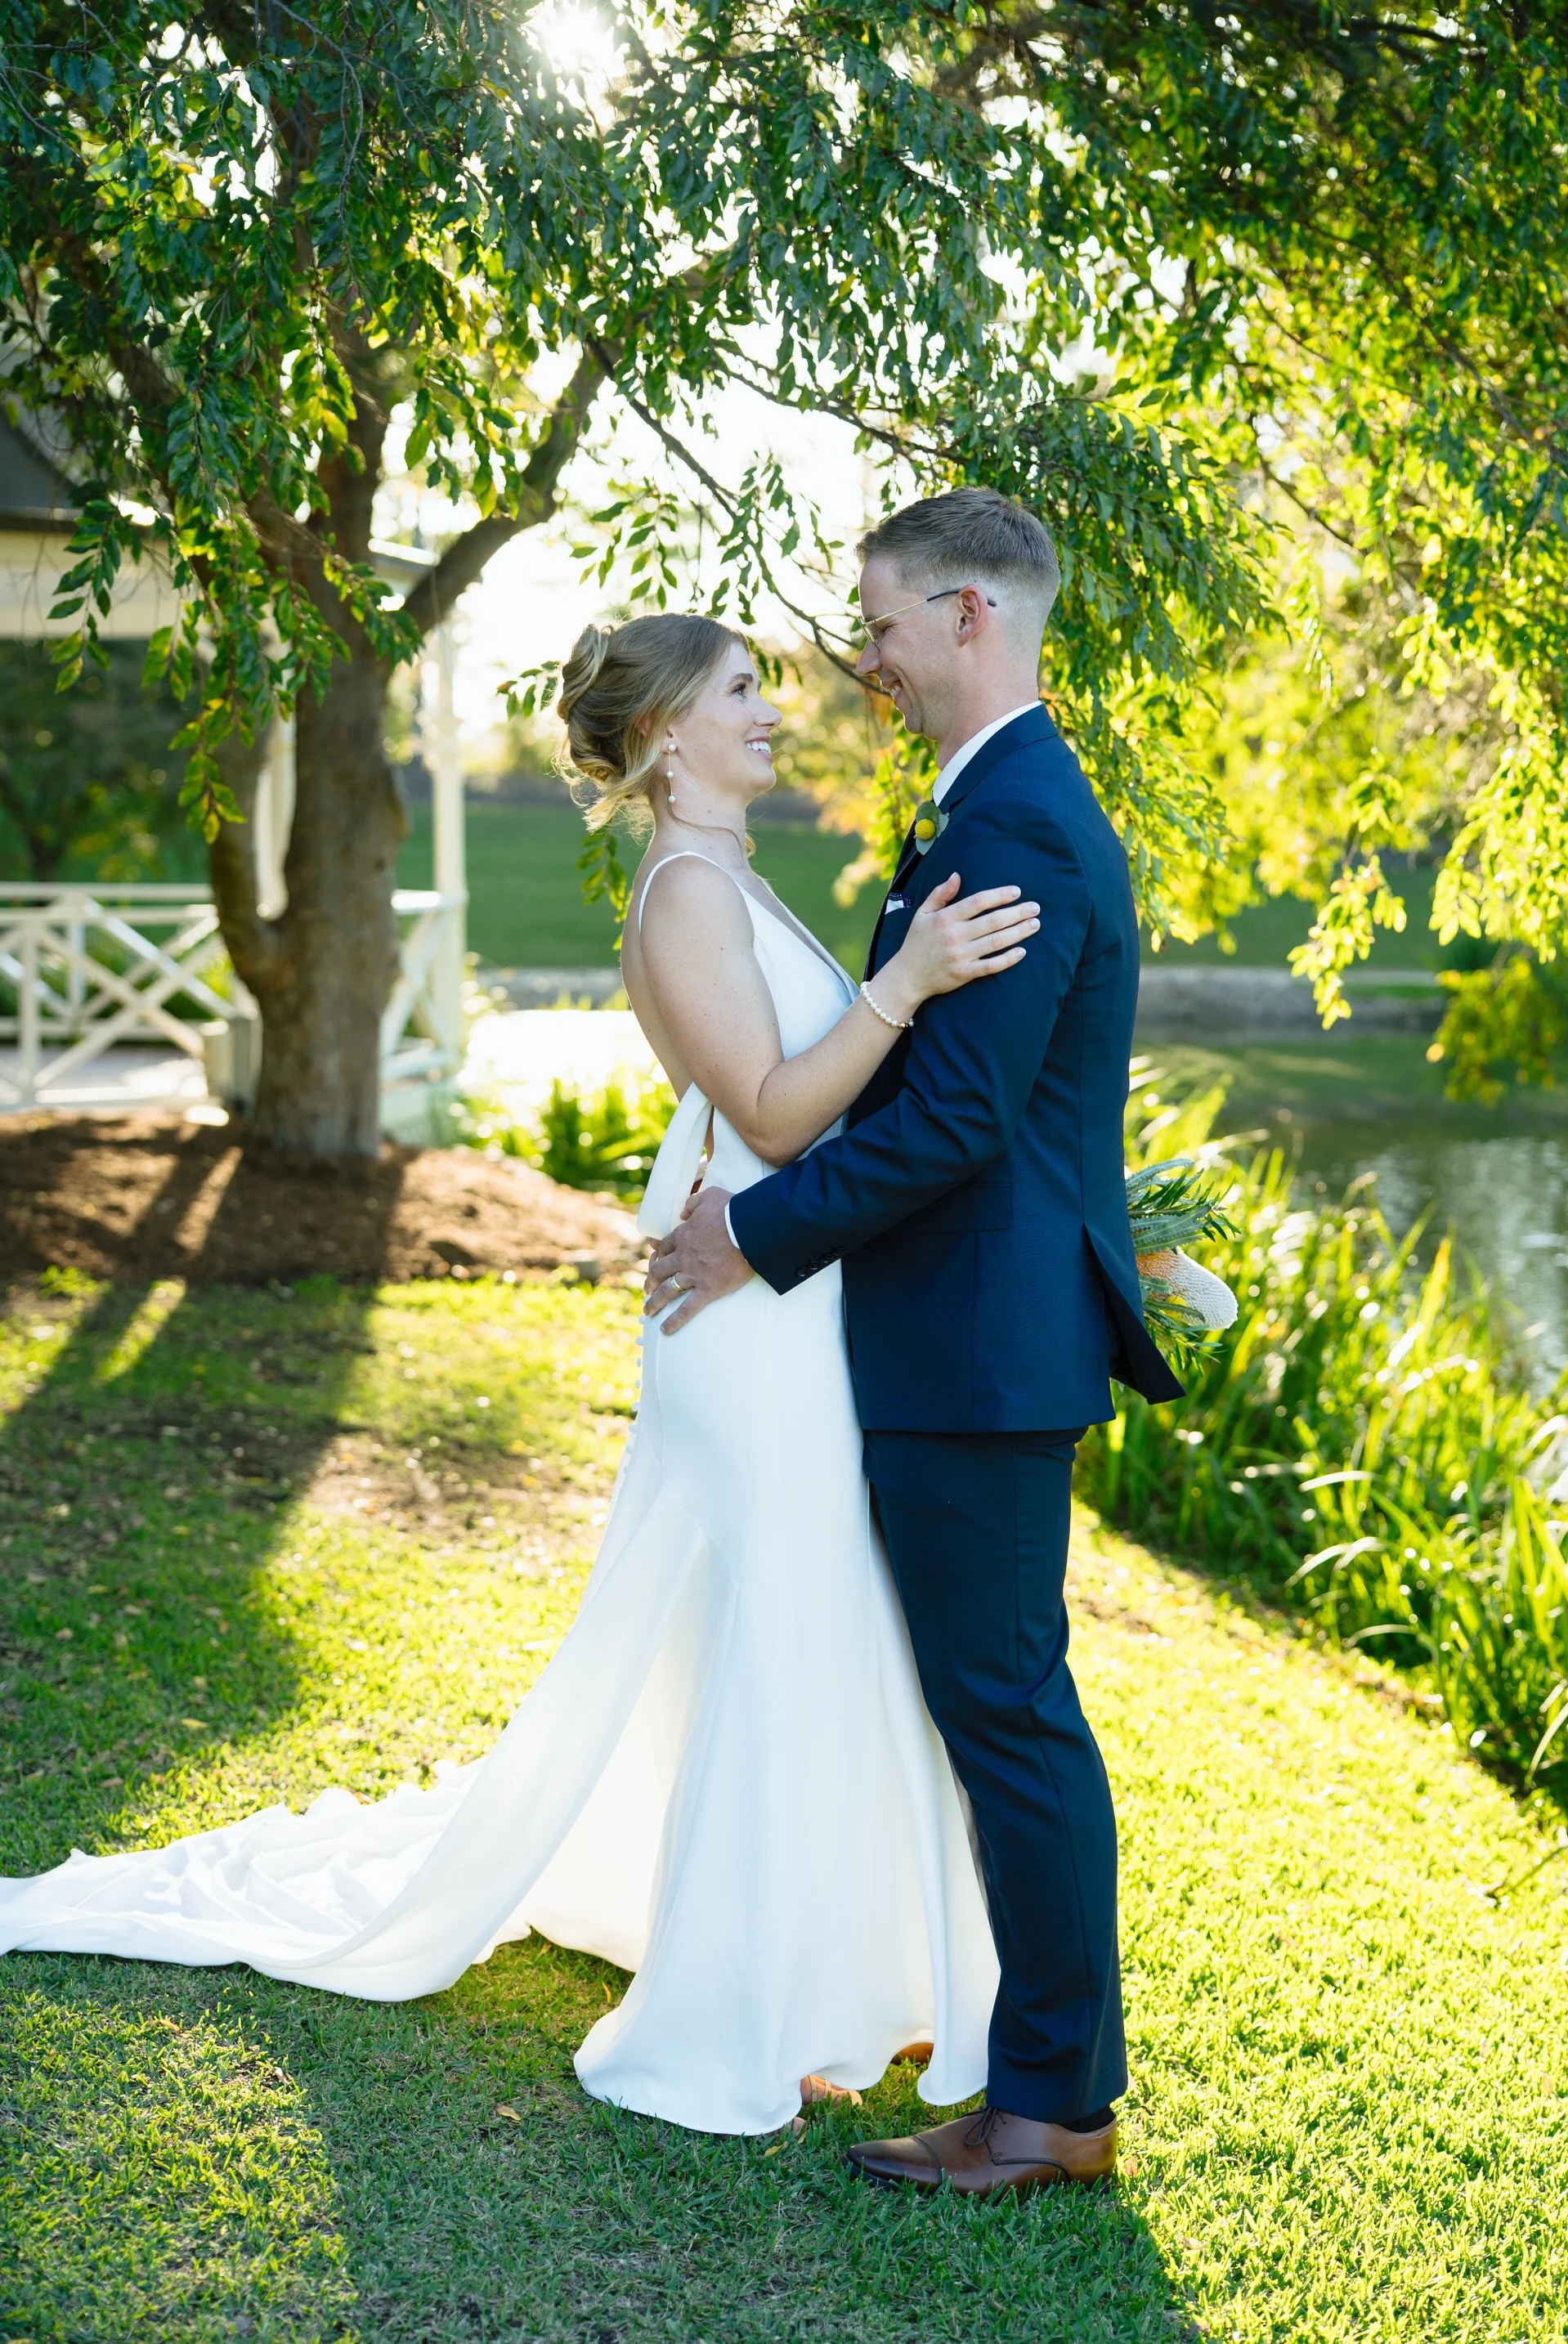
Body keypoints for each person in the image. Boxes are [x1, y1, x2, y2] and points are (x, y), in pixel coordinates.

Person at [0, 607, 1043, 2140]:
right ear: (670, 732)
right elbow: (766, 1112)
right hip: (747, 1311)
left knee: (795, 1611)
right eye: (743, 690)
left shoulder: (729, 876)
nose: (775, 709)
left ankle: (821, 1958)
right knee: (783, 1609)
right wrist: (913, 984)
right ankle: (751, 1996)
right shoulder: (686, 893)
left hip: (777, 1290)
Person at [646, 487, 1184, 2196]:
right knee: (1002, 1703)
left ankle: (1047, 2103)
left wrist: (753, 1228)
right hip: (968, 1335)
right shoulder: (992, 807)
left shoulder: (1011, 824)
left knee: (1010, 1715)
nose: (858, 658)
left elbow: (954, 1121)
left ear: (966, 615)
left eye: (878, 624)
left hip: (972, 1348)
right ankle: (1030, 2070)